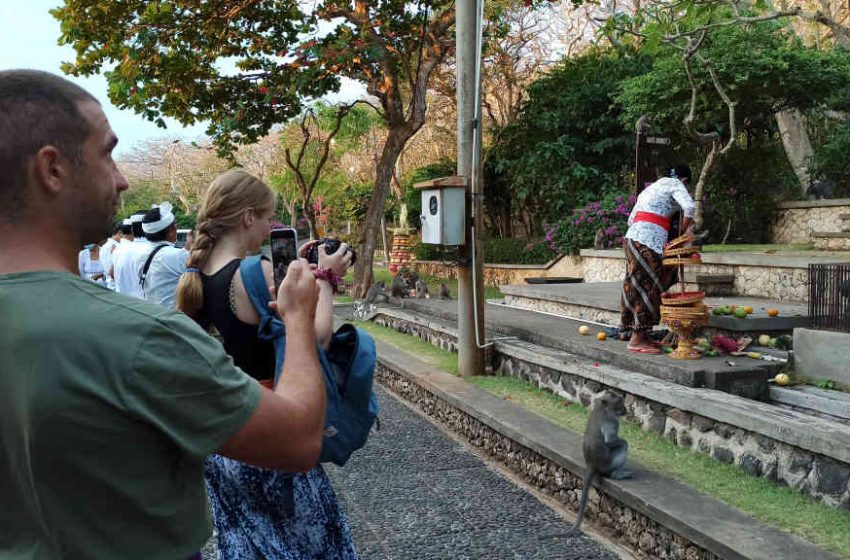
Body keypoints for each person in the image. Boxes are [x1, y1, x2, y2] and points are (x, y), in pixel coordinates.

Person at [0, 69, 328, 559]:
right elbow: (298, 438)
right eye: (107, 152)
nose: (122, 178)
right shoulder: (134, 337)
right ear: (52, 169)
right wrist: (299, 318)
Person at [175, 169, 357, 559]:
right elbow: (315, 337)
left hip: (224, 442)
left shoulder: (193, 276)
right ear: (247, 218)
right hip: (271, 428)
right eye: (267, 219)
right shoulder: (252, 273)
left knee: (247, 543)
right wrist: (326, 278)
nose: (269, 229)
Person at [621, 164, 696, 354]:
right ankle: (637, 338)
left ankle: (639, 333)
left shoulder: (651, 189)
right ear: (684, 180)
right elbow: (689, 207)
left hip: (632, 239)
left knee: (637, 284)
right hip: (648, 241)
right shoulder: (675, 183)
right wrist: (680, 235)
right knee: (651, 287)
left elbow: (631, 219)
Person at [140, 201, 189, 308]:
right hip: (173, 319)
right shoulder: (178, 255)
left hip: (152, 314)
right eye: (175, 225)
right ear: (171, 231)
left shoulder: (141, 256)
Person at [112, 210, 150, 297]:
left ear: (132, 230)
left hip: (123, 302)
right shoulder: (150, 250)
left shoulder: (118, 249)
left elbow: (112, 273)